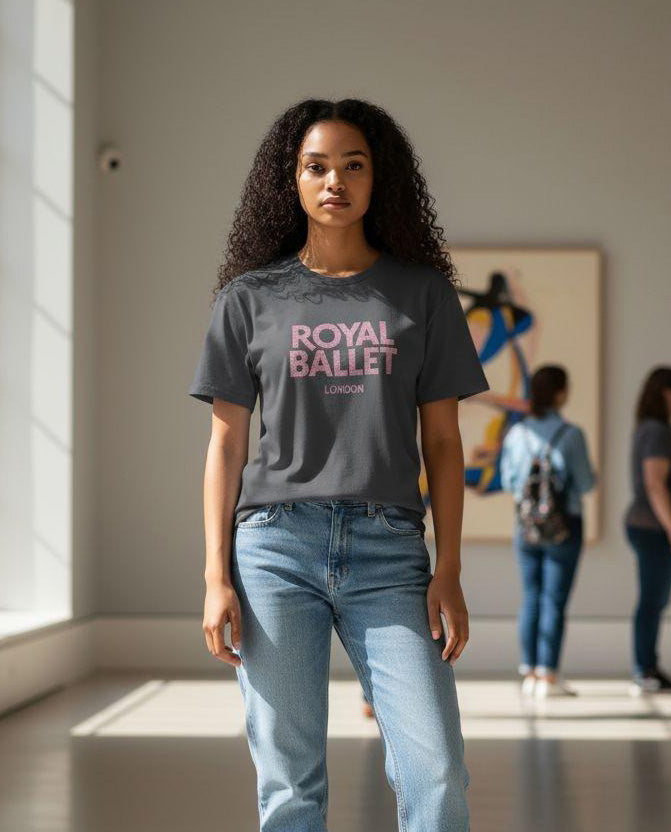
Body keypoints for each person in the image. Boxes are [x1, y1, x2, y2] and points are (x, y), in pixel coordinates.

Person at [188, 98, 489, 832]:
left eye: (353, 165)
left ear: (378, 179)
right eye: (316, 166)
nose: (334, 181)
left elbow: (444, 445)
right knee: (289, 785)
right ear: (289, 180)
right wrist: (216, 576)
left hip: (389, 551)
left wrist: (449, 568)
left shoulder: (423, 294)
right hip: (273, 550)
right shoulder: (248, 299)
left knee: (436, 769)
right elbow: (227, 445)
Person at [499, 365, 597, 699]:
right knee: (554, 599)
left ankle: (529, 671)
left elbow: (509, 482)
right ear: (560, 393)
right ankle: (548, 674)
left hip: (525, 524)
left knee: (531, 595)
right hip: (564, 524)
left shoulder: (516, 433)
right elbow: (586, 483)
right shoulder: (571, 434)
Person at [623, 366, 671, 694]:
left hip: (653, 529)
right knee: (652, 601)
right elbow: (655, 484)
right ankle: (646, 670)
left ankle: (648, 667)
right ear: (667, 392)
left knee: (654, 600)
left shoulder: (655, 430)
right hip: (653, 530)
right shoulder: (657, 432)